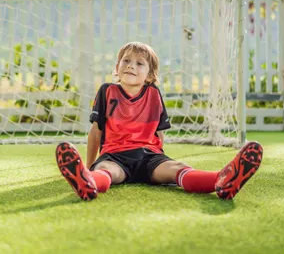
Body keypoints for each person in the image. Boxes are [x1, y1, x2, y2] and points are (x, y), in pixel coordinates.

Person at [55, 41, 263, 201]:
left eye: (139, 63)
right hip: (115, 155)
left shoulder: (154, 94)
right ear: (117, 66)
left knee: (176, 168)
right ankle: (87, 181)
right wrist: (90, 165)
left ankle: (221, 179)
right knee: (107, 172)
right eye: (126, 61)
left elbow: (159, 132)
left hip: (149, 157)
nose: (131, 66)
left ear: (149, 74)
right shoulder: (106, 91)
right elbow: (96, 132)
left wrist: (159, 160)